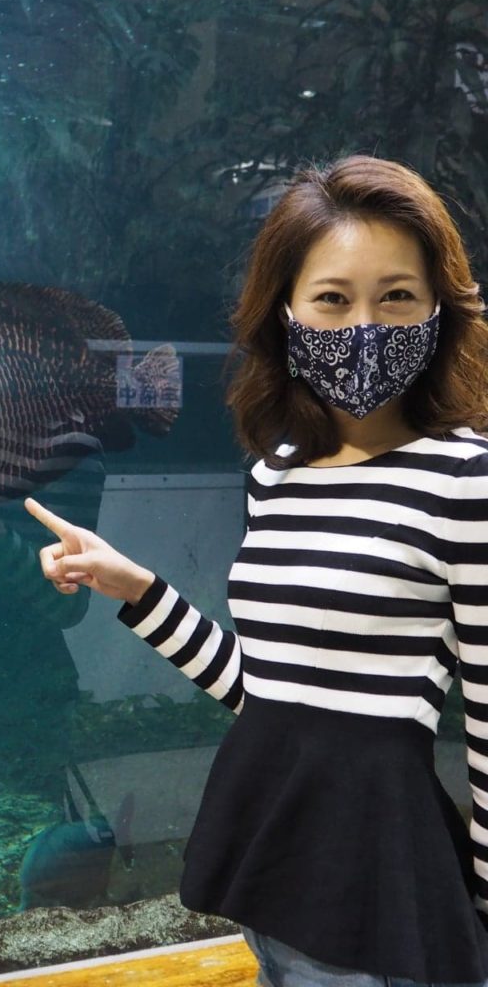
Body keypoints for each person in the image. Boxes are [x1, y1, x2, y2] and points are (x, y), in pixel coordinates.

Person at [25, 155, 488, 986]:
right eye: (333, 299)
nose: (365, 329)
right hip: (270, 869)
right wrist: (135, 588)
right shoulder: (277, 471)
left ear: (439, 312)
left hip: (377, 888)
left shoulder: (468, 480)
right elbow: (265, 696)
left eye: (398, 297)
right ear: (286, 314)